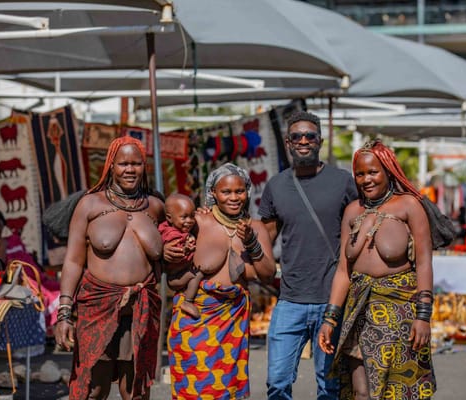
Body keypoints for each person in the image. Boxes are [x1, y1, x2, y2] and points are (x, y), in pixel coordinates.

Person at [318, 140, 436, 400]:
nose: (366, 179)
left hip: (400, 313)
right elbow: (343, 271)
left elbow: (424, 262)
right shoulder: (352, 211)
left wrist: (424, 316)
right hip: (358, 312)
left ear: (388, 171)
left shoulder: (408, 207)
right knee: (361, 392)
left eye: (373, 172)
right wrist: (330, 319)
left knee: (398, 392)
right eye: (360, 174)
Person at [258, 110, 359, 400]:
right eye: (297, 137)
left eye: (309, 136)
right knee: (277, 381)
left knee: (329, 387)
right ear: (288, 143)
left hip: (333, 300)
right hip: (290, 299)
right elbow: (265, 235)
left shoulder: (343, 182)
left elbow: (360, 229)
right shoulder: (276, 186)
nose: (303, 141)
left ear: (320, 141)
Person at [54, 136, 164, 400]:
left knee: (135, 391)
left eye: (136, 164)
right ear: (111, 166)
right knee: (93, 390)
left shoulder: (156, 206)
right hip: (96, 309)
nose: (130, 169)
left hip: (141, 310)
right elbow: (73, 261)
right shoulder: (90, 205)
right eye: (123, 163)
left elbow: (174, 246)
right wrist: (64, 314)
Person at [166, 163, 276, 399]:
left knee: (227, 391)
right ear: (213, 194)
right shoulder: (196, 222)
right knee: (193, 390)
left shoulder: (255, 227)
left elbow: (267, 273)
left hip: (231, 323)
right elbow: (169, 255)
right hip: (194, 320)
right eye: (226, 192)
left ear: (247, 191)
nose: (234, 197)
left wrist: (252, 243)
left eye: (240, 191)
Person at [0, 205, 60, 333]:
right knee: (40, 296)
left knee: (64, 290)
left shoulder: (14, 240)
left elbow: (28, 259)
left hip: (33, 279)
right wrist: (2, 246)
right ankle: (50, 331)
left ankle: (57, 331)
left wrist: (42, 273)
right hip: (6, 285)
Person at [159, 193, 201, 319]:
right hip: (175, 278)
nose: (189, 221)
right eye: (184, 217)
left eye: (192, 216)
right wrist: (187, 249)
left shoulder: (171, 229)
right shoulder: (172, 235)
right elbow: (177, 252)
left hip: (178, 274)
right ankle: (188, 302)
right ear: (169, 218)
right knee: (198, 274)